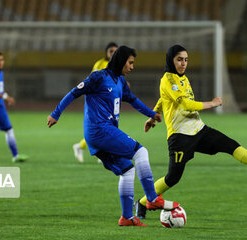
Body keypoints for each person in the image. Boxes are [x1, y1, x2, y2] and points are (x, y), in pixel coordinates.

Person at [134, 45, 247, 219]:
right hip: (180, 136)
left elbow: (163, 98)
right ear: (171, 60)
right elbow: (185, 104)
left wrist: (154, 115)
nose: (183, 63)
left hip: (199, 129)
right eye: (179, 59)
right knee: (172, 178)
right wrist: (212, 103)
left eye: (186, 59)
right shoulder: (168, 79)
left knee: (231, 146)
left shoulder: (182, 78)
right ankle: (141, 202)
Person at [47, 46, 179, 226]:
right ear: (121, 60)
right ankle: (152, 198)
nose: (132, 67)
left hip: (100, 135)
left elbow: (132, 99)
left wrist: (151, 113)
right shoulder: (98, 77)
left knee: (127, 170)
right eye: (130, 63)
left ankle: (126, 217)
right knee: (141, 152)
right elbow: (74, 92)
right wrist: (56, 113)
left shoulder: (120, 81)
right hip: (100, 130)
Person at [73, 42, 118, 163]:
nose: (113, 53)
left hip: (111, 100)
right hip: (99, 100)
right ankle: (102, 153)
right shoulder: (100, 64)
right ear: (106, 52)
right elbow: (93, 80)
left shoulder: (118, 65)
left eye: (115, 51)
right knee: (103, 126)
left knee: (107, 126)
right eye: (111, 51)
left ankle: (82, 146)